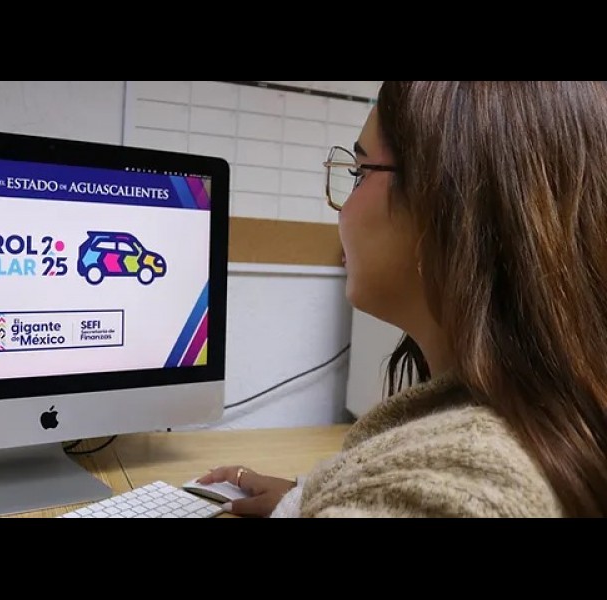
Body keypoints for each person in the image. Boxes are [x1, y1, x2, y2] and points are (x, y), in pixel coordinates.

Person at [199, 81, 607, 518]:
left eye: (359, 173)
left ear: (446, 203)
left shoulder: (467, 490)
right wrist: (305, 501)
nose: (342, 210)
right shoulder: (535, 418)